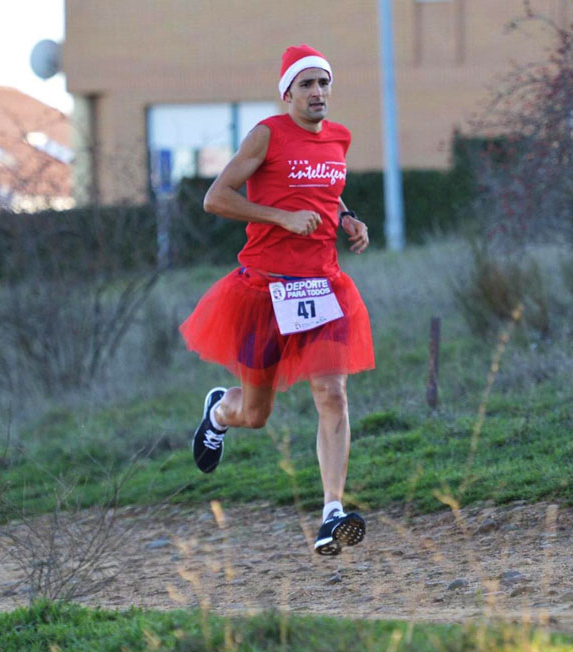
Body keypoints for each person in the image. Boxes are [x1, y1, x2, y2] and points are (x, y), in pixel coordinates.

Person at [180, 44, 374, 556]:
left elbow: (324, 193)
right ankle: (220, 414)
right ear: (287, 93)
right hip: (265, 291)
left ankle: (332, 513)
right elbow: (216, 197)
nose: (318, 93)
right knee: (256, 413)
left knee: (331, 393)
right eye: (306, 85)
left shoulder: (339, 138)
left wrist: (346, 219)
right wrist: (280, 218)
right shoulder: (266, 134)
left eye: (324, 84)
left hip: (322, 287)